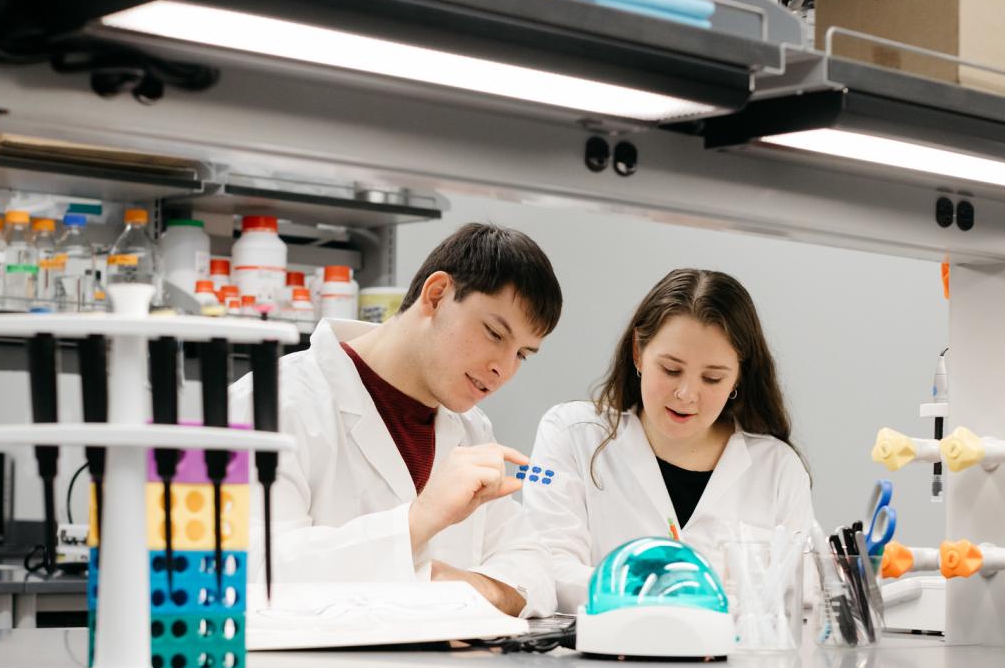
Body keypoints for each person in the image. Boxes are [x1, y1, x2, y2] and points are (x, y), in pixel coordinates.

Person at [230, 223, 562, 617]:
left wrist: (470, 590)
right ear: (436, 295)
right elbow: (247, 575)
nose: (503, 369)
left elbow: (535, 570)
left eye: (523, 354)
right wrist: (417, 521)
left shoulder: (471, 429)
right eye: (494, 333)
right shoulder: (270, 404)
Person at [523, 268, 813, 611]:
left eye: (712, 378)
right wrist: (671, 595)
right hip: (604, 660)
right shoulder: (571, 435)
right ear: (638, 352)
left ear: (738, 377)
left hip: (730, 664)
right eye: (671, 370)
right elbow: (548, 569)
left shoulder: (777, 468)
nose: (686, 394)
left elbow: (801, 591)